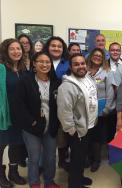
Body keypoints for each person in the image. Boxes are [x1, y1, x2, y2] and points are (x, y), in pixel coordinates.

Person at [13, 52, 61, 188]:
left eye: (48, 62)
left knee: (51, 157)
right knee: (34, 157)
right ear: (34, 63)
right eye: (41, 61)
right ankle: (34, 182)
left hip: (51, 125)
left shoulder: (56, 82)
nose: (45, 65)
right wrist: (31, 121)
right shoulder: (25, 81)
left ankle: (49, 181)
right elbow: (18, 105)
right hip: (32, 127)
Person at [57, 53, 97, 188]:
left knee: (82, 157)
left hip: (89, 126)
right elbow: (64, 111)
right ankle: (74, 184)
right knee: (76, 159)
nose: (80, 66)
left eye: (82, 63)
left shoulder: (87, 78)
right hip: (77, 130)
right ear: (71, 66)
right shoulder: (67, 86)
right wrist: (71, 130)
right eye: (76, 64)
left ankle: (79, 178)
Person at [0, 38, 27, 187]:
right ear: (6, 51)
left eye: (19, 49)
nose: (16, 51)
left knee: (16, 145)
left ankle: (13, 172)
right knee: (1, 145)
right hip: (3, 115)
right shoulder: (1, 68)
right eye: (12, 49)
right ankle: (0, 175)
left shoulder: (23, 69)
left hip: (19, 116)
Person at [43, 36, 70, 170]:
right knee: (44, 132)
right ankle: (43, 163)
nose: (56, 48)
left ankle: (62, 160)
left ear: (63, 48)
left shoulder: (67, 63)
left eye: (59, 46)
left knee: (61, 134)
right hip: (43, 103)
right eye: (53, 45)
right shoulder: (42, 60)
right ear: (48, 47)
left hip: (62, 103)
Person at [87, 48, 115, 172]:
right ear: (91, 56)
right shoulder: (85, 70)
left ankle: (96, 161)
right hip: (86, 109)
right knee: (87, 134)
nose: (97, 57)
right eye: (95, 55)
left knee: (97, 137)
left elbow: (110, 92)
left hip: (101, 109)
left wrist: (107, 109)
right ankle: (88, 158)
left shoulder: (106, 72)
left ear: (103, 58)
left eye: (100, 56)